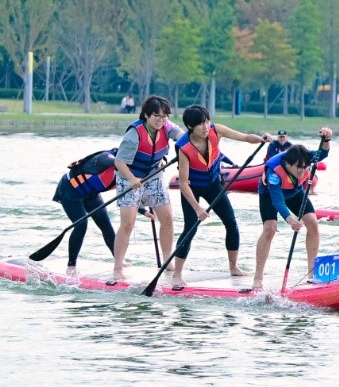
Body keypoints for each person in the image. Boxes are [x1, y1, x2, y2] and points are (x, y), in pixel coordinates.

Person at [171, 106, 271, 287]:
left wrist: (261, 139)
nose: (205, 127)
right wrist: (197, 208)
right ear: (190, 126)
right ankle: (177, 274)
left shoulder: (216, 130)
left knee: (231, 222)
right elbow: (183, 183)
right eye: (200, 124)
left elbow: (244, 137)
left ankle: (233, 267)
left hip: (212, 184)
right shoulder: (184, 147)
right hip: (192, 188)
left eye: (207, 121)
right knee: (190, 228)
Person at [254, 128, 333, 290]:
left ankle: (312, 273)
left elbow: (324, 153)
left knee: (313, 223)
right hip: (270, 195)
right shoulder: (274, 171)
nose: (302, 171)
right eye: (298, 168)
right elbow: (278, 202)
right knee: (270, 228)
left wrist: (326, 139)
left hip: (295, 192)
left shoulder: (306, 158)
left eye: (305, 167)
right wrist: (290, 220)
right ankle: (258, 277)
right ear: (288, 164)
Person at [111, 96, 177, 283]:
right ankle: (118, 267)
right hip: (128, 177)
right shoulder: (134, 134)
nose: (161, 120)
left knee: (167, 218)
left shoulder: (167, 126)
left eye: (164, 116)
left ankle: (167, 261)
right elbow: (119, 162)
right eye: (157, 116)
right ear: (147, 115)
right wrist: (132, 179)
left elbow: (183, 138)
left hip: (153, 176)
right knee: (128, 224)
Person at [52, 147, 118, 274]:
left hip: (91, 194)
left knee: (106, 225)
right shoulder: (105, 157)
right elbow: (113, 161)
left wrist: (144, 211)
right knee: (81, 224)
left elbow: (129, 196)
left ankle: (119, 260)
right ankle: (71, 265)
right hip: (71, 190)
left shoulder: (127, 173)